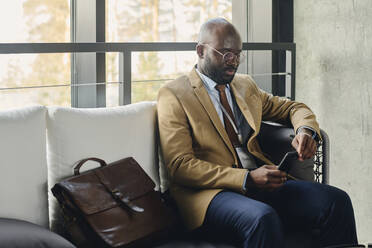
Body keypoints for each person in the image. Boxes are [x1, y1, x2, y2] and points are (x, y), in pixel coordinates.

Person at [157, 18, 357, 248]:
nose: (233, 60)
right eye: (224, 53)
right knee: (262, 218)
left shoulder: (244, 86)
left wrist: (305, 131)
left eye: (237, 53)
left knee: (335, 201)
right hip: (209, 195)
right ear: (201, 51)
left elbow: (293, 108)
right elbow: (180, 166)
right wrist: (246, 179)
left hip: (261, 184)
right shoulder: (173, 94)